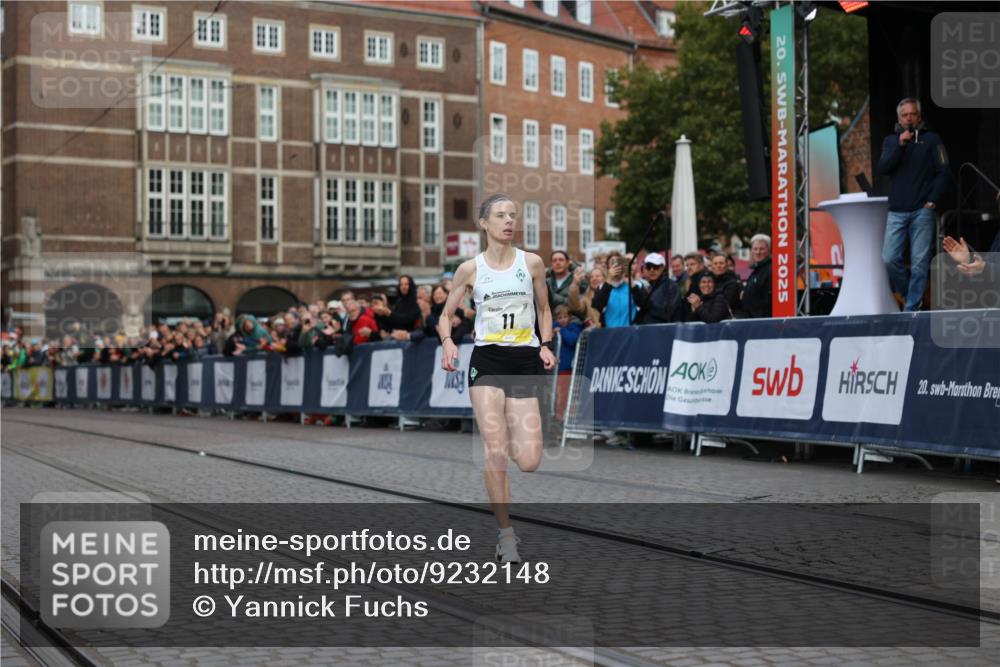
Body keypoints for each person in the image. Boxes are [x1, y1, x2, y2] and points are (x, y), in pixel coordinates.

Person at [439, 193, 556, 564]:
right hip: (487, 360)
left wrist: (546, 343)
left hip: (524, 362)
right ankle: (506, 536)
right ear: (484, 223)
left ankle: (507, 437)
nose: (509, 221)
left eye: (513, 215)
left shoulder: (533, 263)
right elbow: (445, 315)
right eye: (501, 215)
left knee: (530, 460)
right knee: (496, 451)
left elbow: (544, 308)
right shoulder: (470, 270)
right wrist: (447, 342)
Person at [878, 97, 951, 311]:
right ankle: (912, 297)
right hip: (897, 211)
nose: (909, 118)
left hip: (922, 210)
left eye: (913, 114)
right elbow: (883, 168)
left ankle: (911, 309)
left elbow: (944, 171)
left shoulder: (932, 139)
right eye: (905, 115)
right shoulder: (891, 141)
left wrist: (933, 201)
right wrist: (900, 145)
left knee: (920, 262)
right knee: (889, 258)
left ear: (919, 117)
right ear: (899, 119)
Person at [590, 252, 638, 327]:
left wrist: (632, 283)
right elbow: (597, 305)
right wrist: (609, 279)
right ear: (608, 267)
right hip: (609, 333)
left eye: (618, 262)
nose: (615, 266)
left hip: (630, 333)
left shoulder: (635, 285)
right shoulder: (602, 287)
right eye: (612, 263)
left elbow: (645, 306)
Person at [635, 252, 683, 324]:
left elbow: (666, 313)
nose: (652, 270)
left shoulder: (672, 286)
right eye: (648, 266)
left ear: (662, 268)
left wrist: (647, 305)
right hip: (645, 331)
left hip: (663, 331)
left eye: (655, 266)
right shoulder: (646, 286)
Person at [741, 234, 772, 318]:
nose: (758, 252)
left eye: (762, 249)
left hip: (763, 322)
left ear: (768, 250)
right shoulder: (755, 271)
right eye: (755, 249)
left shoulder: (771, 270)